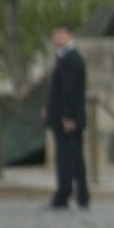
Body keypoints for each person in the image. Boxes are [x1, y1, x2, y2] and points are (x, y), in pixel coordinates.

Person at [41, 23, 90, 210]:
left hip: (68, 119)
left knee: (68, 158)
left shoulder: (71, 59)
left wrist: (68, 117)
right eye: (56, 35)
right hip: (65, 116)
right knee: (74, 158)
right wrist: (49, 108)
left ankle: (65, 194)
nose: (57, 38)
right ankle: (80, 195)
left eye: (61, 34)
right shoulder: (66, 58)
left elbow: (70, 92)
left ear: (70, 35)